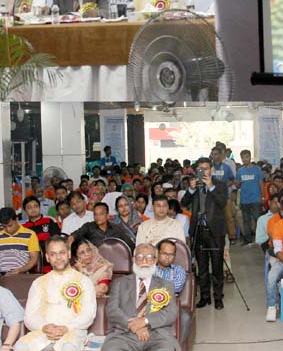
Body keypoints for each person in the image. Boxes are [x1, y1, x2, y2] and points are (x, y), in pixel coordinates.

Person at [15, 236, 96, 351]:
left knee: (68, 348)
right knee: (20, 347)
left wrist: (67, 327)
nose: (58, 258)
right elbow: (30, 315)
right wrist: (44, 327)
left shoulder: (84, 281)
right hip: (43, 332)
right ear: (47, 258)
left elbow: (88, 314)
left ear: (68, 254)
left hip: (72, 331)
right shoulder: (38, 283)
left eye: (62, 253)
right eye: (53, 254)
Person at [101, 243, 179, 351]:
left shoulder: (166, 285)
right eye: (140, 257)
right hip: (124, 335)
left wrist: (145, 321)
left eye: (149, 257)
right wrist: (133, 325)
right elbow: (112, 310)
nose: (144, 261)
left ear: (155, 260)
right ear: (133, 259)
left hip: (157, 335)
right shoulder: (119, 283)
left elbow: (171, 312)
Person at [181, 156, 229, 309]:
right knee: (201, 267)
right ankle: (204, 296)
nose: (204, 172)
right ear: (197, 171)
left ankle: (218, 297)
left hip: (215, 231)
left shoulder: (220, 185)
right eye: (200, 169)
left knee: (216, 266)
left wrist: (211, 187)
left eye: (206, 169)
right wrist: (191, 189)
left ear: (212, 170)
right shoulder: (194, 186)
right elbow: (183, 204)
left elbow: (222, 202)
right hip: (198, 230)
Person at [0, 207, 41, 278]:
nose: (8, 229)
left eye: (10, 225)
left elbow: (34, 259)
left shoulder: (30, 234)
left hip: (20, 275)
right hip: (0, 275)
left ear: (16, 219)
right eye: (4, 226)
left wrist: (21, 270)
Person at [67, 202, 134, 249]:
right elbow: (76, 235)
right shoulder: (88, 227)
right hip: (95, 262)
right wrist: (71, 239)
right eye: (95, 214)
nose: (97, 217)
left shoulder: (116, 228)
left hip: (114, 260)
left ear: (107, 215)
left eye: (101, 214)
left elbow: (129, 244)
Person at [237, 149, 264, 246]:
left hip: (256, 199)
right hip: (244, 199)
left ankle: (260, 239)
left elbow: (261, 183)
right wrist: (238, 183)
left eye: (246, 157)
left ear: (250, 157)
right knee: (246, 221)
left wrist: (263, 196)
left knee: (258, 220)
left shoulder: (257, 169)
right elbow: (237, 185)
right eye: (243, 158)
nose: (244, 159)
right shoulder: (239, 171)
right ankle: (247, 239)